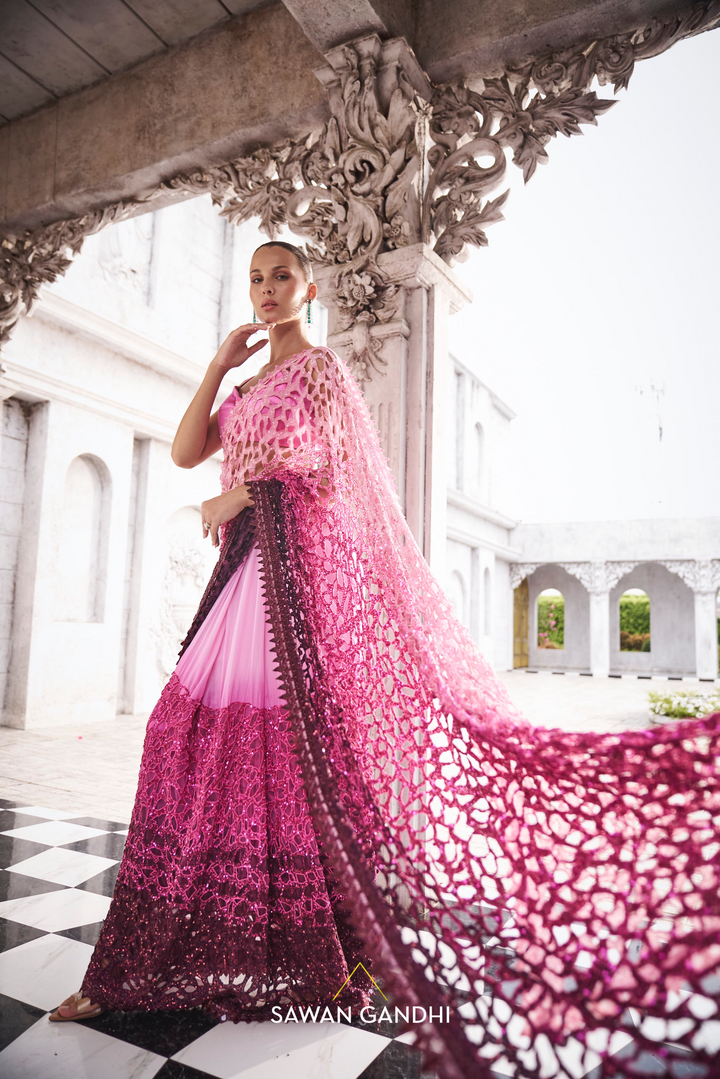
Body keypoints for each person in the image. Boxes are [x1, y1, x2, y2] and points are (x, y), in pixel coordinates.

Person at [49, 241, 720, 1079]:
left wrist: (240, 495)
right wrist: (217, 366)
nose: (265, 290)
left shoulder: (322, 372)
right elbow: (187, 450)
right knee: (180, 739)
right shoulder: (249, 382)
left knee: (288, 762)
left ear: (311, 287)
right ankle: (172, 944)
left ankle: (305, 943)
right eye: (255, 277)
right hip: (245, 574)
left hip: (293, 581)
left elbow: (335, 474)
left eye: (281, 276)